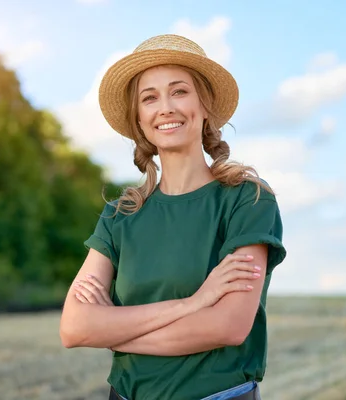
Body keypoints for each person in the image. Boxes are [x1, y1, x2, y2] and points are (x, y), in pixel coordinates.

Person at [59, 34, 287, 400]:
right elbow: (74, 328)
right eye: (149, 98)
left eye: (179, 91)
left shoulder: (248, 200)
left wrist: (114, 332)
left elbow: (228, 326)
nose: (165, 107)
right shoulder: (120, 216)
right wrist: (194, 303)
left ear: (205, 106)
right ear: (139, 119)